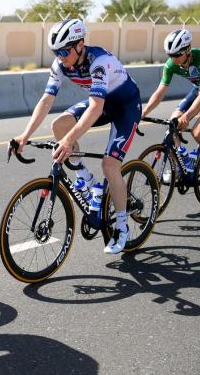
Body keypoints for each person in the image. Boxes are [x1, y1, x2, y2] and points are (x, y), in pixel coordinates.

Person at [11, 18, 142, 254]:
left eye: (64, 51)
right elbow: (46, 100)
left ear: (80, 45)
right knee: (59, 125)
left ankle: (122, 227)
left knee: (110, 165)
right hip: (100, 102)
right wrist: (24, 135)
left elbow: (95, 107)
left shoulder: (99, 62)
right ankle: (86, 180)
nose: (61, 57)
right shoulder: (61, 64)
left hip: (125, 106)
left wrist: (69, 140)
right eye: (56, 52)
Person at [142, 29, 200, 188]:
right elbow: (160, 91)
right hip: (198, 90)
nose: (172, 59)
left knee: (197, 132)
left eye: (176, 55)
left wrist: (187, 117)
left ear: (187, 50)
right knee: (172, 126)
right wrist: (144, 112)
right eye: (170, 55)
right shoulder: (171, 64)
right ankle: (184, 162)